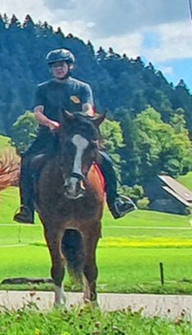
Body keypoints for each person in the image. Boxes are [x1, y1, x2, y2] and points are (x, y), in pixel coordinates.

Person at [12, 48, 137, 223]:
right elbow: (38, 113)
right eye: (55, 66)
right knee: (27, 161)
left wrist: (85, 119)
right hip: (50, 135)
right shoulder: (43, 89)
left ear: (69, 66)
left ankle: (115, 201)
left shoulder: (82, 88)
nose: (58, 69)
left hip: (76, 136)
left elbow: (88, 108)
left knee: (106, 161)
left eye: (61, 65)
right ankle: (26, 208)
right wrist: (50, 123)